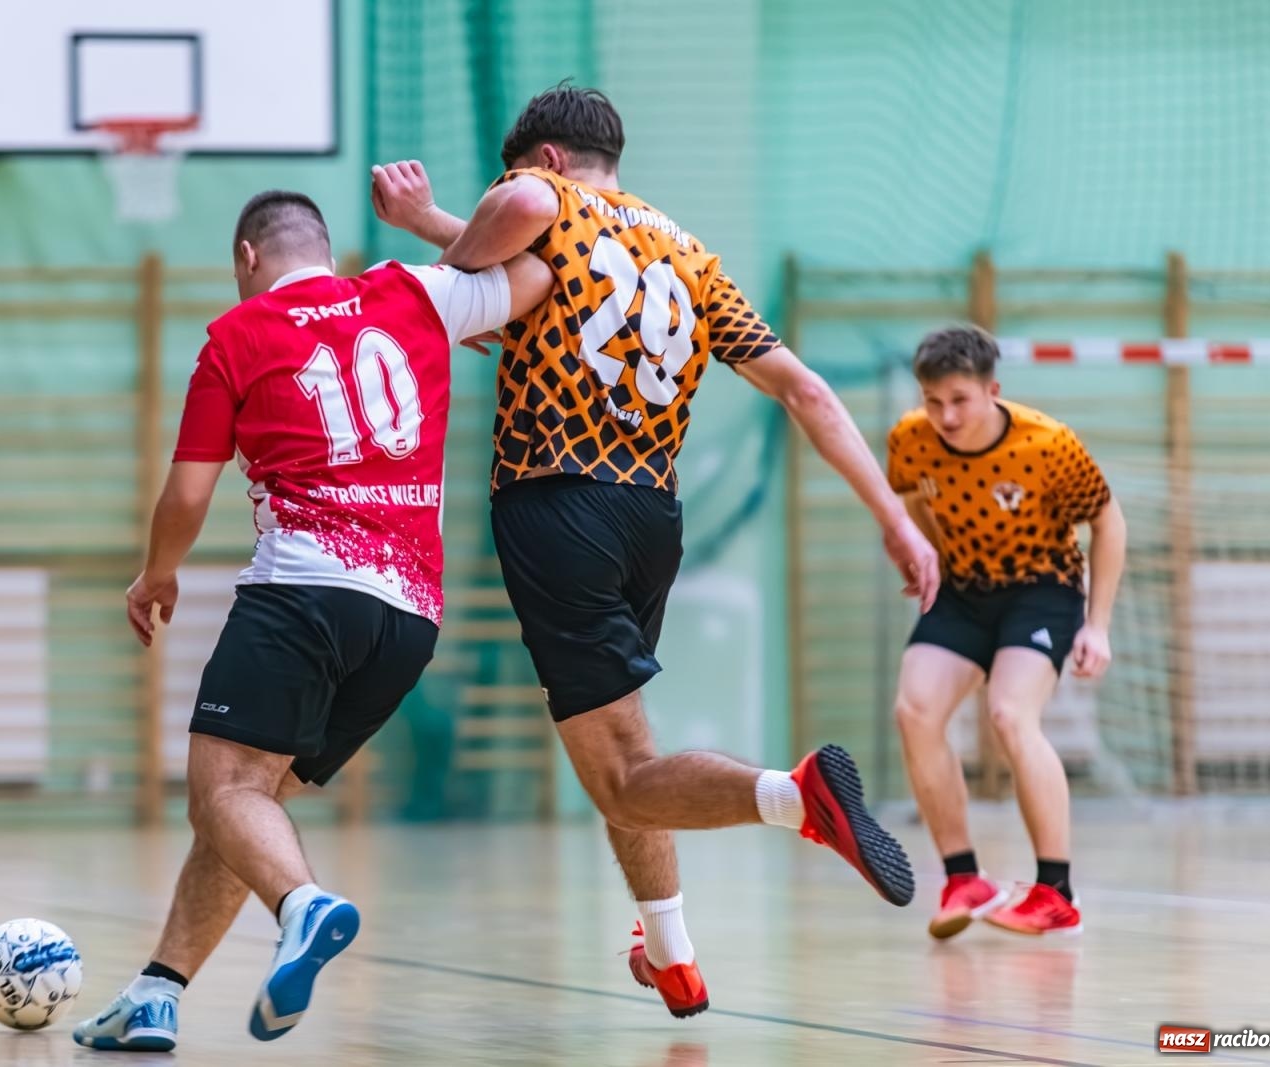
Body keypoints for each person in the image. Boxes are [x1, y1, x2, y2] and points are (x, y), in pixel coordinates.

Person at [371, 84, 939, 1018]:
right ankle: (670, 951)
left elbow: (519, 215)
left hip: (558, 503)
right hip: (649, 519)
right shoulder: (688, 254)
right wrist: (893, 514)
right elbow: (805, 392)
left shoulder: (542, 200)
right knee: (623, 742)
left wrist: (447, 251)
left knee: (625, 779)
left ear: (546, 159)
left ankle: (794, 797)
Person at [72, 190, 553, 1050]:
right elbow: (539, 270)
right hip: (407, 622)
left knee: (222, 794)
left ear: (249, 260)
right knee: (247, 806)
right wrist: (448, 248)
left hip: (303, 592)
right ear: (324, 248)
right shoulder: (416, 293)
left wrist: (157, 574)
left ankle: (304, 905)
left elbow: (188, 492)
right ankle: (158, 990)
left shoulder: (239, 334)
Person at [886, 325, 1125, 939]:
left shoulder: (1047, 444)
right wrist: (925, 553)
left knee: (1010, 716)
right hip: (965, 590)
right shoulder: (911, 440)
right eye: (933, 401)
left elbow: (1108, 520)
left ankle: (1055, 891)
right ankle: (964, 878)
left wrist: (1096, 625)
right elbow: (910, 500)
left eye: (960, 400)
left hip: (1041, 591)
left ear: (992, 390)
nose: (945, 416)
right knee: (914, 712)